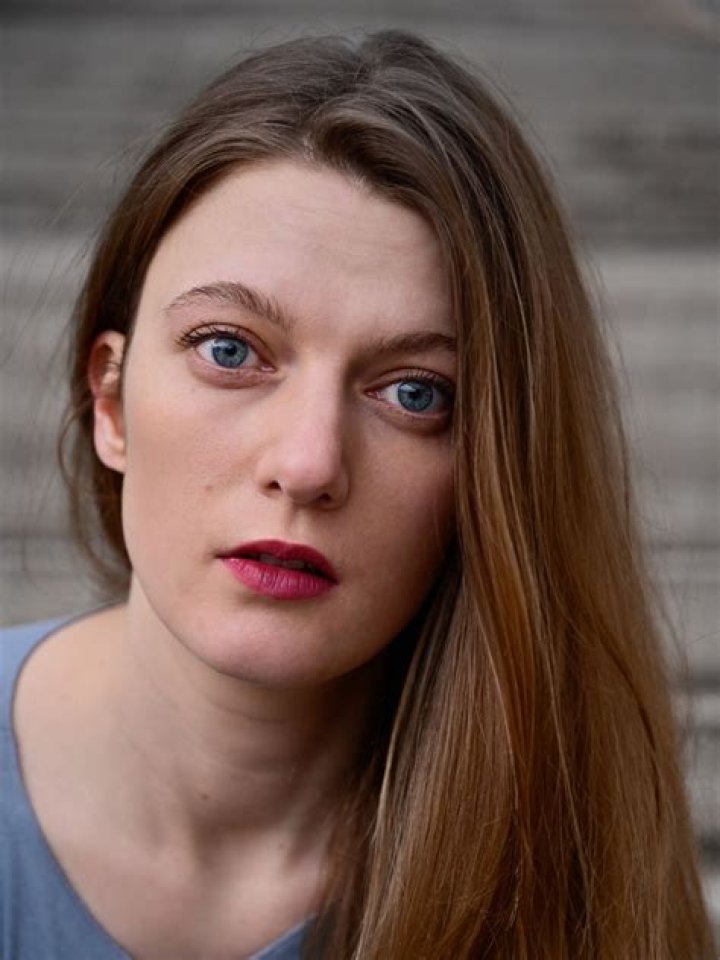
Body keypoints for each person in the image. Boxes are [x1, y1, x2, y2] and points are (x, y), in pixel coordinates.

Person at [0, 30, 713, 960]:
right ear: (110, 402)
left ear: (495, 471)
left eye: (415, 394)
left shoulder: (571, 873)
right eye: (229, 349)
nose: (307, 465)